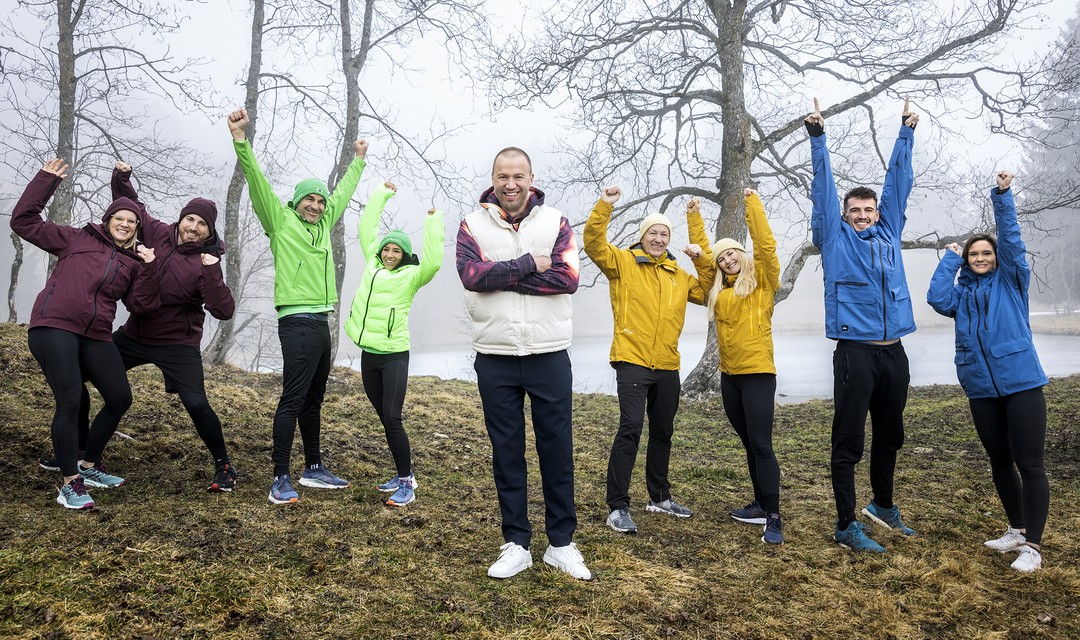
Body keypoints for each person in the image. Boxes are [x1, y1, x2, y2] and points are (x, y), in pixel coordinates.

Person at [456, 147, 590, 580]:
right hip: (494, 357)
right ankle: (516, 543)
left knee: (557, 450)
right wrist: (530, 264)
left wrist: (502, 274)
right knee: (507, 453)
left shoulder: (557, 222)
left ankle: (561, 544)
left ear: (531, 178)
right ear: (492, 179)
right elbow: (471, 277)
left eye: (518, 176)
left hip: (549, 354)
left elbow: (567, 278)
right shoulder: (471, 225)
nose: (510, 184)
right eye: (502, 176)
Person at [227, 107, 368, 505]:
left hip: (321, 322)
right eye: (310, 199)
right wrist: (240, 141)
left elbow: (342, 193)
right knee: (293, 397)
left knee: (313, 398)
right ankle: (279, 477)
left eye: (321, 202)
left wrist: (358, 161)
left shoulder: (324, 225)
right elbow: (256, 181)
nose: (318, 206)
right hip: (296, 321)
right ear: (297, 201)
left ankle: (313, 468)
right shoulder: (281, 221)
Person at [12, 158, 159, 509]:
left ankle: (89, 465)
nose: (124, 224)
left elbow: (143, 306)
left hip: (95, 334)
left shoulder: (132, 263)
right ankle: (69, 483)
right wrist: (46, 181)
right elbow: (24, 221)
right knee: (71, 399)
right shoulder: (75, 239)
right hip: (54, 325)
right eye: (118, 218)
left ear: (136, 228)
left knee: (120, 397)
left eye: (131, 221)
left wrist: (150, 268)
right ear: (107, 221)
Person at [807, 97, 920, 553]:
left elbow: (899, 185)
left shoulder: (889, 232)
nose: (862, 215)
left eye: (868, 210)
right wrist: (818, 139)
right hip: (855, 354)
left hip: (895, 351)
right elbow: (823, 190)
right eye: (855, 210)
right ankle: (845, 523)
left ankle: (883, 506)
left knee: (891, 433)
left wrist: (906, 133)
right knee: (850, 439)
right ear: (846, 214)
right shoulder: (833, 238)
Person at [926, 171, 1050, 572]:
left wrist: (1002, 196)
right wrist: (948, 257)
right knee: (999, 459)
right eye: (973, 255)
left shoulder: (1012, 281)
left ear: (996, 258)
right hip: (980, 387)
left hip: (1022, 383)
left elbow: (1012, 240)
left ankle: (1033, 545)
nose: (980, 259)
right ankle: (1016, 529)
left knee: (1029, 464)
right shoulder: (960, 295)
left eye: (985, 254)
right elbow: (936, 297)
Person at [583, 185, 711, 535]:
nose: (658, 238)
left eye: (664, 234)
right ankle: (617, 507)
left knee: (663, 431)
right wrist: (605, 205)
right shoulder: (622, 262)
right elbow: (593, 243)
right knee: (630, 430)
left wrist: (700, 254)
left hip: (668, 365)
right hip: (632, 361)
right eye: (653, 232)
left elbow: (709, 288)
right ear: (643, 236)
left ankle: (659, 497)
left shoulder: (678, 275)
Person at [688, 189, 785, 545]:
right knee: (749, 442)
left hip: (758, 373)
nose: (726, 259)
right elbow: (702, 264)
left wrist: (752, 205)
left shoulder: (762, 283)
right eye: (722, 257)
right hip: (730, 378)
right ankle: (760, 504)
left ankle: (773, 516)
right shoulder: (718, 291)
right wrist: (694, 219)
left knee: (761, 444)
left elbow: (767, 247)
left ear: (741, 256)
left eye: (731, 253)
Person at [344, 181, 444, 507]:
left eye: (396, 251)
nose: (389, 255)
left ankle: (406, 482)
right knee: (385, 418)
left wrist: (433, 221)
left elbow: (432, 261)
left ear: (404, 256)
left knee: (393, 417)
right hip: (368, 354)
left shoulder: (411, 276)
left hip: (394, 356)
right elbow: (367, 226)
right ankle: (403, 473)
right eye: (386, 249)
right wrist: (381, 194)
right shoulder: (373, 265)